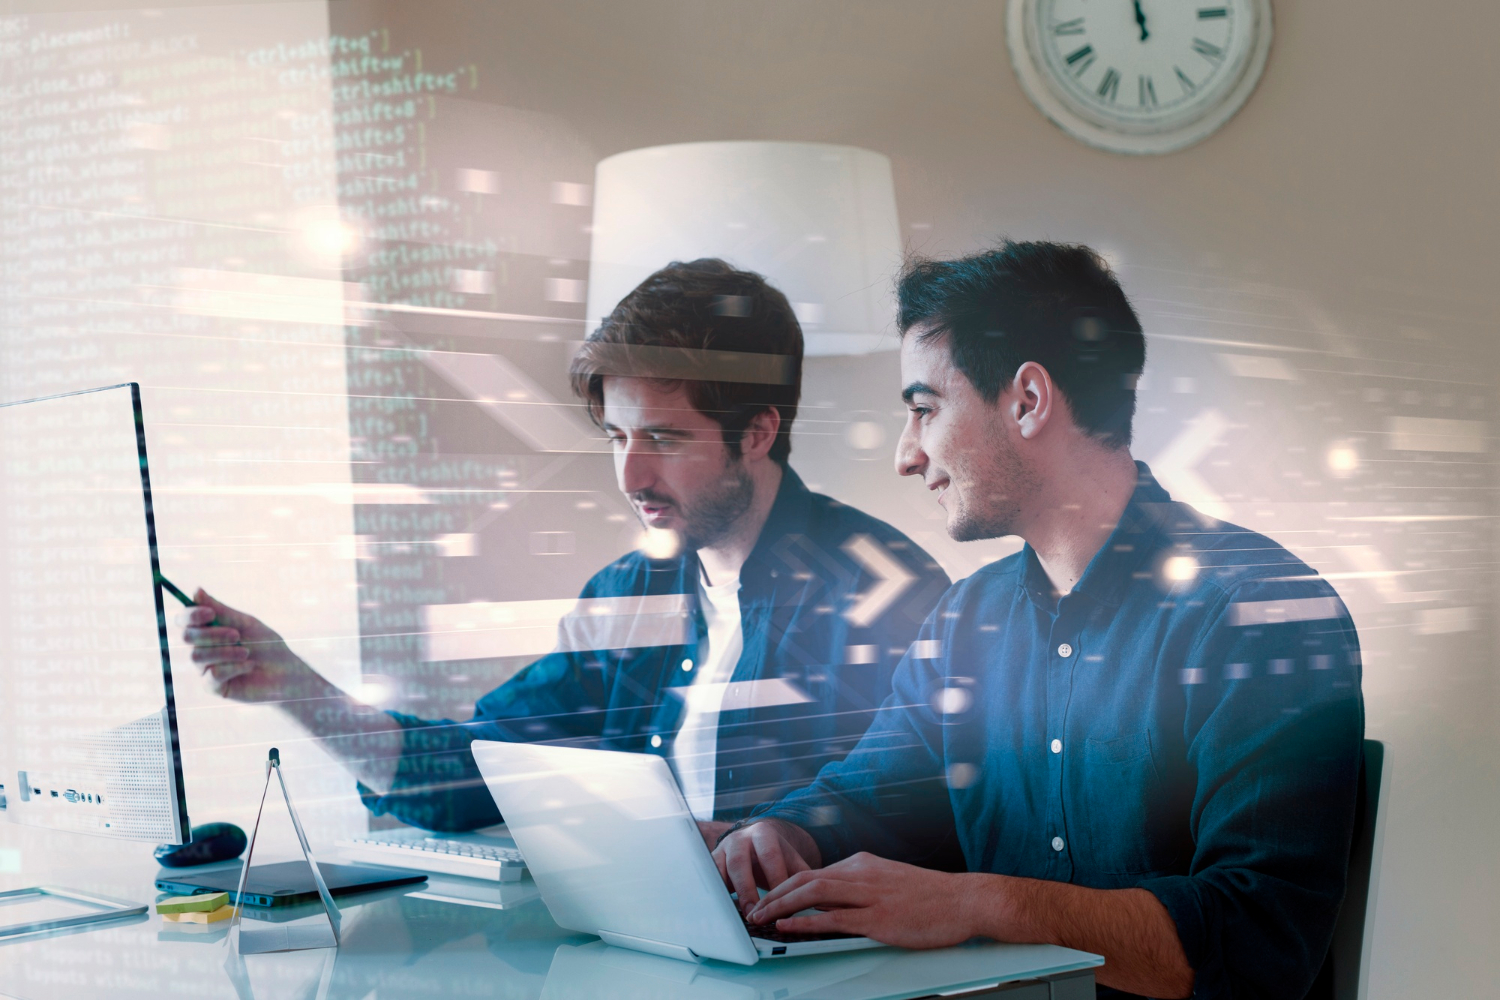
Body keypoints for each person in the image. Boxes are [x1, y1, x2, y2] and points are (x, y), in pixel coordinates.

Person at [713, 242, 1364, 1000]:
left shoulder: (1261, 614)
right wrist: (782, 833)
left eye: (924, 409)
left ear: (1028, 400)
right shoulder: (967, 618)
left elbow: (1258, 941)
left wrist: (979, 905)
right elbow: (871, 796)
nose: (906, 454)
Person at [181, 258, 949, 837]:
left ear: (757, 432)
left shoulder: (880, 589)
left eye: (663, 438)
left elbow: (926, 814)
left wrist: (778, 842)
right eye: (617, 436)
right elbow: (477, 770)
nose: (631, 474)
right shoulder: (626, 596)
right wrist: (297, 689)